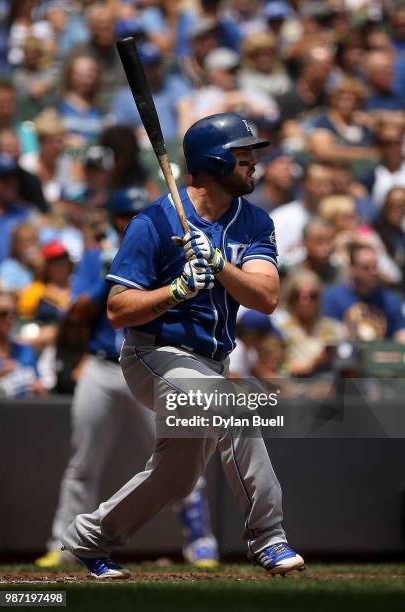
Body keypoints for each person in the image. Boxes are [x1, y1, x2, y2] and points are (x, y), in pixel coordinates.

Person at [61, 112, 305, 579]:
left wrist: (217, 265)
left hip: (212, 361)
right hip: (156, 355)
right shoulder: (153, 221)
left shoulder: (254, 221)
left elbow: (267, 297)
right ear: (213, 160)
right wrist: (176, 290)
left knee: (176, 476)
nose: (253, 163)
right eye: (242, 155)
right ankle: (268, 537)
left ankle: (90, 538)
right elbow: (118, 309)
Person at [36, 188, 219, 568]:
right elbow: (78, 312)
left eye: (139, 214)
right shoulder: (94, 258)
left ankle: (199, 540)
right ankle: (64, 544)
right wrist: (108, 273)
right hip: (103, 366)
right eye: (127, 216)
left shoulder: (169, 251)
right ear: (117, 221)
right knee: (83, 462)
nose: (134, 221)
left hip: (158, 361)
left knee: (179, 456)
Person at [322, 243, 405, 344]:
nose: (373, 272)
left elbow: (400, 332)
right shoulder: (332, 298)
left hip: (380, 356)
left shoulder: (389, 300)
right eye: (366, 267)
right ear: (352, 269)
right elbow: (326, 334)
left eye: (375, 266)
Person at [0, 289, 43, 397]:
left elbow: (39, 385)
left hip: (24, 411)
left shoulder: (26, 350)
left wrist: (39, 389)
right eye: (3, 313)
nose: (10, 318)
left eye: (14, 313)